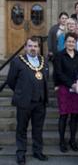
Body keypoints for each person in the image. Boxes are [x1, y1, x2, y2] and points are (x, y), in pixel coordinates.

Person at [7, 37, 49, 165]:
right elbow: (11, 81)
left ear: (39, 48)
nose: (33, 48)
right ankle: (21, 153)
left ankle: (37, 151)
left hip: (40, 102)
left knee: (38, 128)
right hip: (24, 102)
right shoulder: (17, 61)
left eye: (35, 46)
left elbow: (45, 79)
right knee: (22, 128)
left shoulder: (43, 60)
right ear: (25, 47)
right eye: (30, 46)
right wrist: (21, 92)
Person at [53, 32, 78, 153]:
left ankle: (72, 140)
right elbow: (58, 73)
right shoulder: (59, 55)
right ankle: (62, 141)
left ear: (75, 43)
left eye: (73, 41)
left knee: (75, 116)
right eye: (69, 41)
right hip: (64, 88)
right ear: (65, 42)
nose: (71, 43)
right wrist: (72, 84)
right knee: (64, 115)